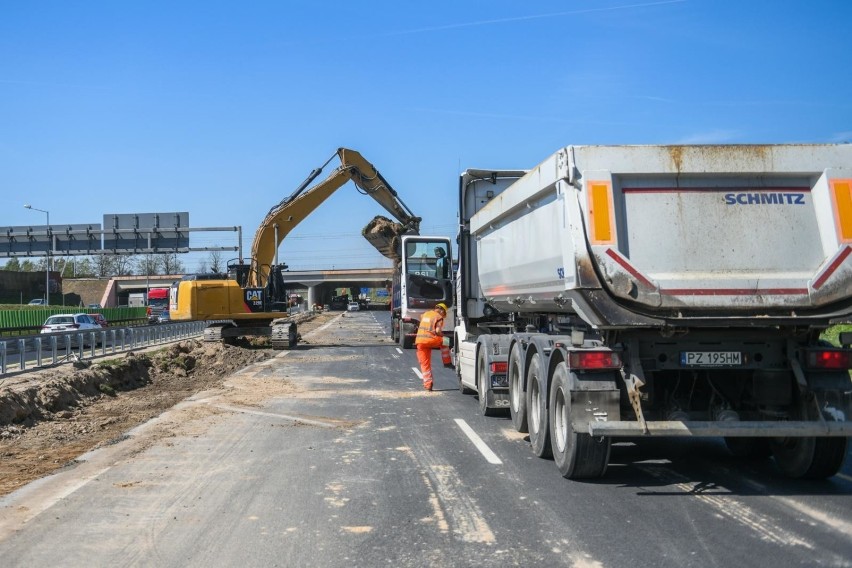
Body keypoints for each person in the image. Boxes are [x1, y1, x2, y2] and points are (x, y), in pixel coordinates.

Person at [415, 302, 452, 391]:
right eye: (444, 313)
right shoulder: (438, 317)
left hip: (420, 341)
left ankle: (428, 385)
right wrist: (443, 335)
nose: (443, 316)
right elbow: (438, 330)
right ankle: (447, 362)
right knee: (445, 341)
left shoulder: (425, 314)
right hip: (430, 339)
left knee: (425, 364)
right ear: (442, 311)